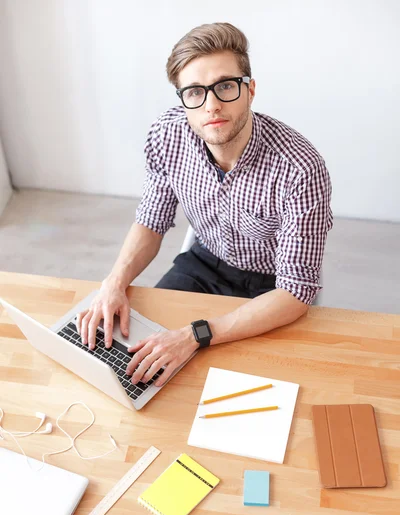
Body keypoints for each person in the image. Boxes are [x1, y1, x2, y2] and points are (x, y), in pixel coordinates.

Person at [77, 22, 333, 388]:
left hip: (271, 286)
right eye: (195, 92)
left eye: (226, 86)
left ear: (250, 90)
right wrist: (114, 283)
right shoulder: (169, 134)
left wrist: (195, 334)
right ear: (183, 99)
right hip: (202, 263)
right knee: (137, 363)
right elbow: (152, 220)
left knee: (250, 388)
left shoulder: (300, 168)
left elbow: (295, 291)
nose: (211, 105)